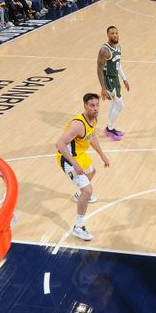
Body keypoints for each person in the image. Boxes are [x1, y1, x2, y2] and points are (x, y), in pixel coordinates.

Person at [55, 93, 110, 241]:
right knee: (88, 190)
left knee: (92, 171)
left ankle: (79, 195)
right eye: (92, 105)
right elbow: (59, 144)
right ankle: (78, 227)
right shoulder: (78, 124)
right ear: (85, 105)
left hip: (79, 154)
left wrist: (102, 154)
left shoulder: (94, 119)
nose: (96, 108)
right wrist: (74, 163)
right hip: (67, 158)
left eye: (97, 105)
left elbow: (91, 136)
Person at [97, 25, 130, 141]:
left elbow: (118, 64)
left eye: (116, 33)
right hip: (108, 81)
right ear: (108, 35)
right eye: (112, 33)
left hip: (115, 79)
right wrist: (103, 88)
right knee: (120, 105)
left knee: (114, 104)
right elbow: (99, 69)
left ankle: (110, 128)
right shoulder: (104, 50)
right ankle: (109, 128)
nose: (115, 35)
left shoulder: (118, 47)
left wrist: (124, 79)